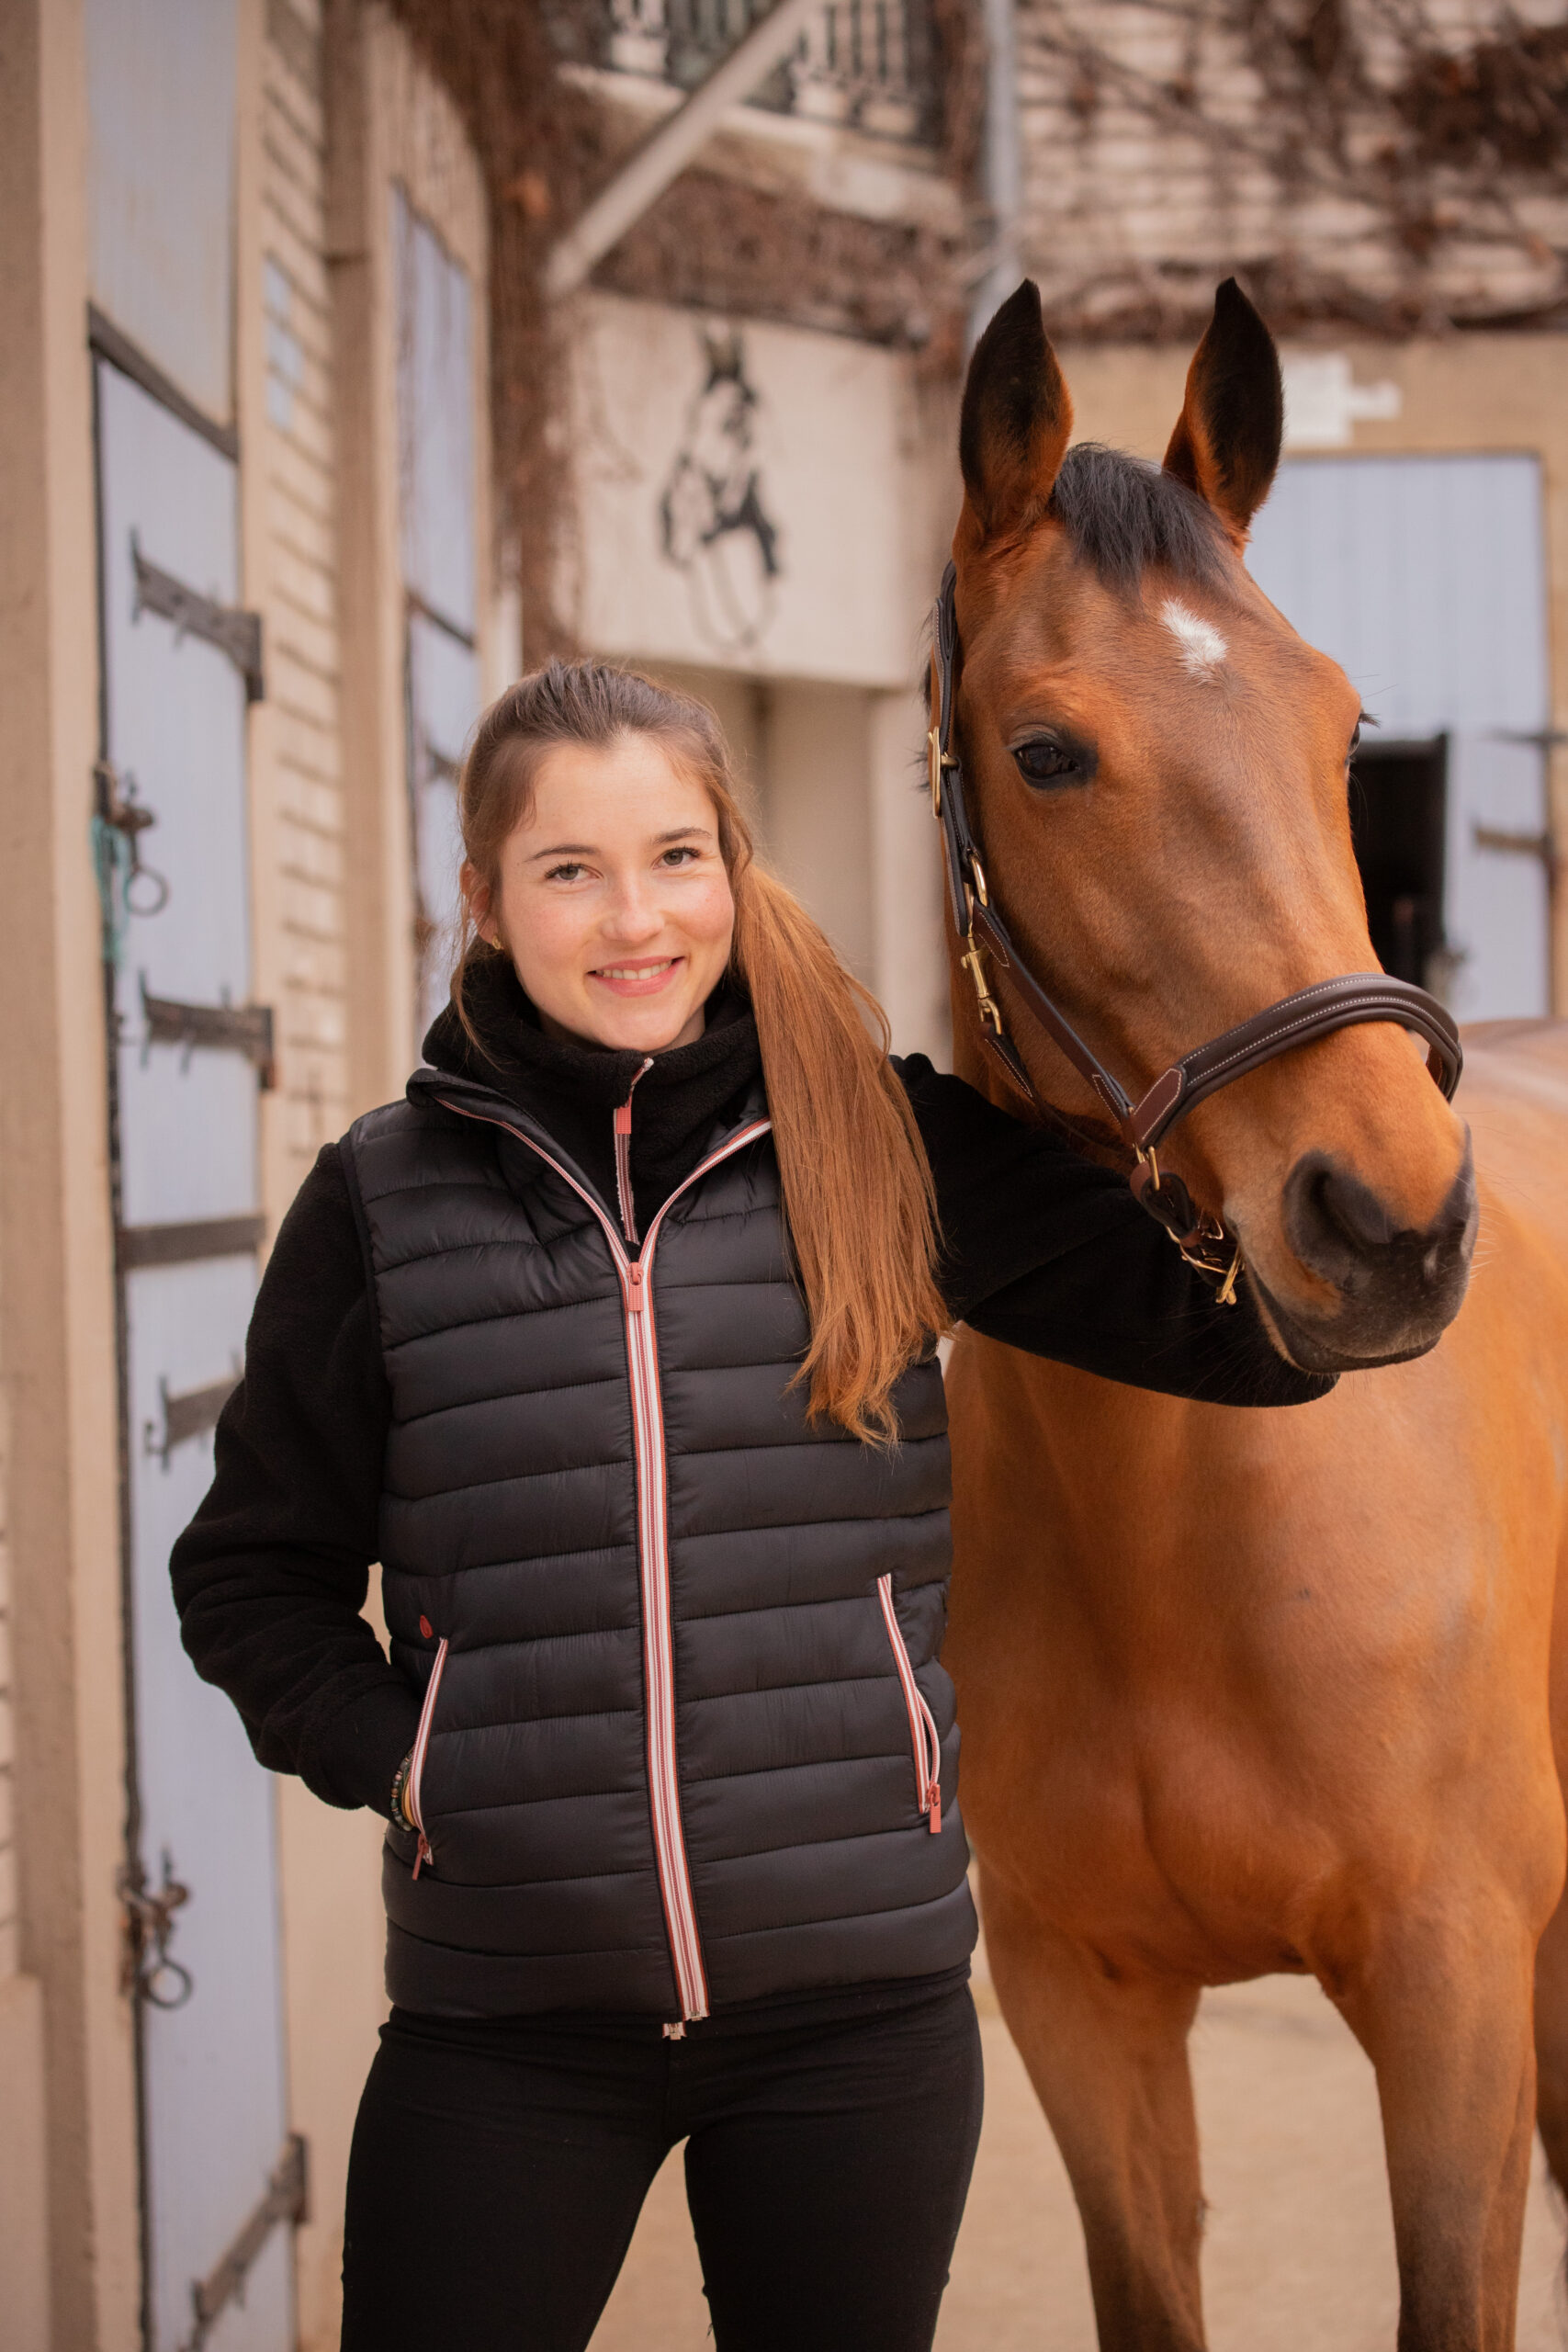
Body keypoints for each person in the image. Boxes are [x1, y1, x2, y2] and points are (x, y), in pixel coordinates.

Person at [172, 660, 1331, 2352]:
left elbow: (1257, 1339)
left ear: (733, 862)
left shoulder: (885, 1146)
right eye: (570, 871)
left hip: (854, 2027)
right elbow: (249, 1580)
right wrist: (414, 1758)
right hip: (510, 2029)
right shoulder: (380, 1200)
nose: (635, 919)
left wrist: (1310, 1096)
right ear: (484, 901)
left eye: (675, 856)